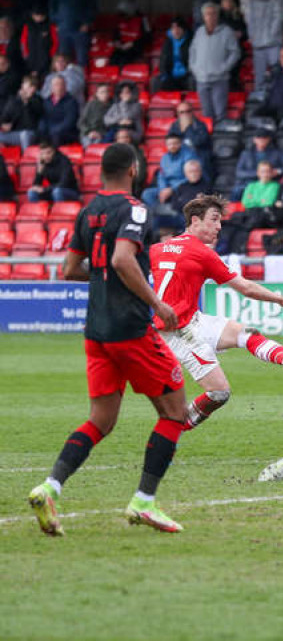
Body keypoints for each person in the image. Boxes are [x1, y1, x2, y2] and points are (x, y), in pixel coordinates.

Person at [28, 143, 189, 537]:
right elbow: (121, 259)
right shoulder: (134, 209)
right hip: (130, 329)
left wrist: (104, 277)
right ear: (133, 168)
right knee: (175, 413)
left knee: (101, 419)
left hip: (96, 331)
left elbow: (69, 269)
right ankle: (143, 502)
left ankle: (50, 488)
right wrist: (157, 303)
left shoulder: (87, 211)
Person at [151, 193, 283, 432]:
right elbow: (246, 288)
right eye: (214, 219)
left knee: (247, 334)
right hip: (178, 333)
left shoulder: (157, 249)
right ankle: (175, 427)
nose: (219, 226)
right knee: (219, 393)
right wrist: (280, 299)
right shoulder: (202, 253)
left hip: (192, 320)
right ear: (195, 221)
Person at [189, 1, 240, 123]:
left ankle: (220, 140)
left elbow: (235, 53)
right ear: (203, 16)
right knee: (207, 115)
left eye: (213, 14)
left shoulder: (227, 32)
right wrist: (194, 68)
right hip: (201, 80)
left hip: (220, 80)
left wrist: (224, 68)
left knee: (220, 114)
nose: (210, 17)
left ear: (217, 16)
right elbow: (192, 51)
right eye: (207, 14)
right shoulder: (199, 32)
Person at [245, 0, 283, 92]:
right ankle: (259, 94)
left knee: (276, 70)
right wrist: (251, 35)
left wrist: (272, 35)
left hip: (274, 42)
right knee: (259, 72)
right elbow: (250, 18)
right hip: (258, 42)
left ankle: (277, 93)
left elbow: (279, 17)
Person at [48, 0, 95, 67]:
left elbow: (92, 5)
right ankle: (65, 80)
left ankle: (80, 79)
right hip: (63, 27)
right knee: (64, 58)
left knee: (81, 58)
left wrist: (87, 22)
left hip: (80, 27)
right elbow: (52, 4)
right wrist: (56, 22)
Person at [154, 158, 209, 235]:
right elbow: (175, 205)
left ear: (200, 172)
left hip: (195, 218)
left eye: (196, 171)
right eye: (190, 172)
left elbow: (207, 205)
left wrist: (186, 203)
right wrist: (190, 202)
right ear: (185, 174)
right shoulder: (181, 187)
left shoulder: (206, 187)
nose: (193, 174)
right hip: (180, 216)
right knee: (159, 220)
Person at [142, 133, 198, 207]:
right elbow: (161, 176)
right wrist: (163, 189)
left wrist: (172, 189)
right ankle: (158, 213)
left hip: (183, 188)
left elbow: (191, 177)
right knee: (147, 194)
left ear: (180, 143)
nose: (172, 146)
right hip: (166, 188)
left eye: (175, 143)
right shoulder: (164, 158)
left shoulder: (189, 155)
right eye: (169, 144)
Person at [233, 128, 283, 202]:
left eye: (264, 138)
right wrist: (259, 173)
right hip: (250, 183)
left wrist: (278, 171)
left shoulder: (277, 153)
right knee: (237, 190)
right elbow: (239, 172)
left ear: (268, 139)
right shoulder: (246, 153)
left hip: (269, 183)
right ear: (254, 139)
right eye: (259, 138)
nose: (261, 140)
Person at [169, 101, 213, 179]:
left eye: (188, 111)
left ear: (192, 112)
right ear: (178, 114)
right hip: (181, 156)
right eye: (182, 112)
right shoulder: (174, 126)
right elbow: (171, 144)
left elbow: (198, 142)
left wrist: (188, 128)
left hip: (197, 155)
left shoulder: (200, 125)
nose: (185, 114)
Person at [0, 75, 42, 150]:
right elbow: (4, 117)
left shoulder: (38, 100)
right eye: (29, 85)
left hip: (31, 134)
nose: (31, 88)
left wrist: (26, 101)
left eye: (33, 86)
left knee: (24, 134)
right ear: (22, 86)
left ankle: (26, 159)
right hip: (15, 133)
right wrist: (3, 125)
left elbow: (31, 121)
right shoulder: (13, 100)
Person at [155, 17, 194, 93]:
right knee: (156, 81)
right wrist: (165, 75)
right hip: (171, 76)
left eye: (178, 27)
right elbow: (163, 61)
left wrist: (189, 73)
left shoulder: (191, 41)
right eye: (173, 28)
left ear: (183, 29)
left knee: (192, 82)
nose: (176, 31)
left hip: (187, 76)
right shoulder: (168, 42)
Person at [39, 74, 78, 146]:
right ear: (52, 87)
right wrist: (43, 129)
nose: (59, 87)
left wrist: (54, 130)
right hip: (50, 131)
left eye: (61, 84)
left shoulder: (71, 101)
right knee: (40, 132)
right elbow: (43, 118)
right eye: (56, 85)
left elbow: (69, 121)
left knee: (56, 135)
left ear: (65, 86)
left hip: (66, 133)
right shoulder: (46, 101)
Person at [20, 5, 58, 78]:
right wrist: (26, 55)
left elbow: (56, 42)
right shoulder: (27, 26)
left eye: (41, 16)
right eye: (37, 16)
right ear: (32, 16)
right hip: (30, 58)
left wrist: (52, 55)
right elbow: (23, 42)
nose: (39, 18)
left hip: (46, 58)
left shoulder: (50, 26)